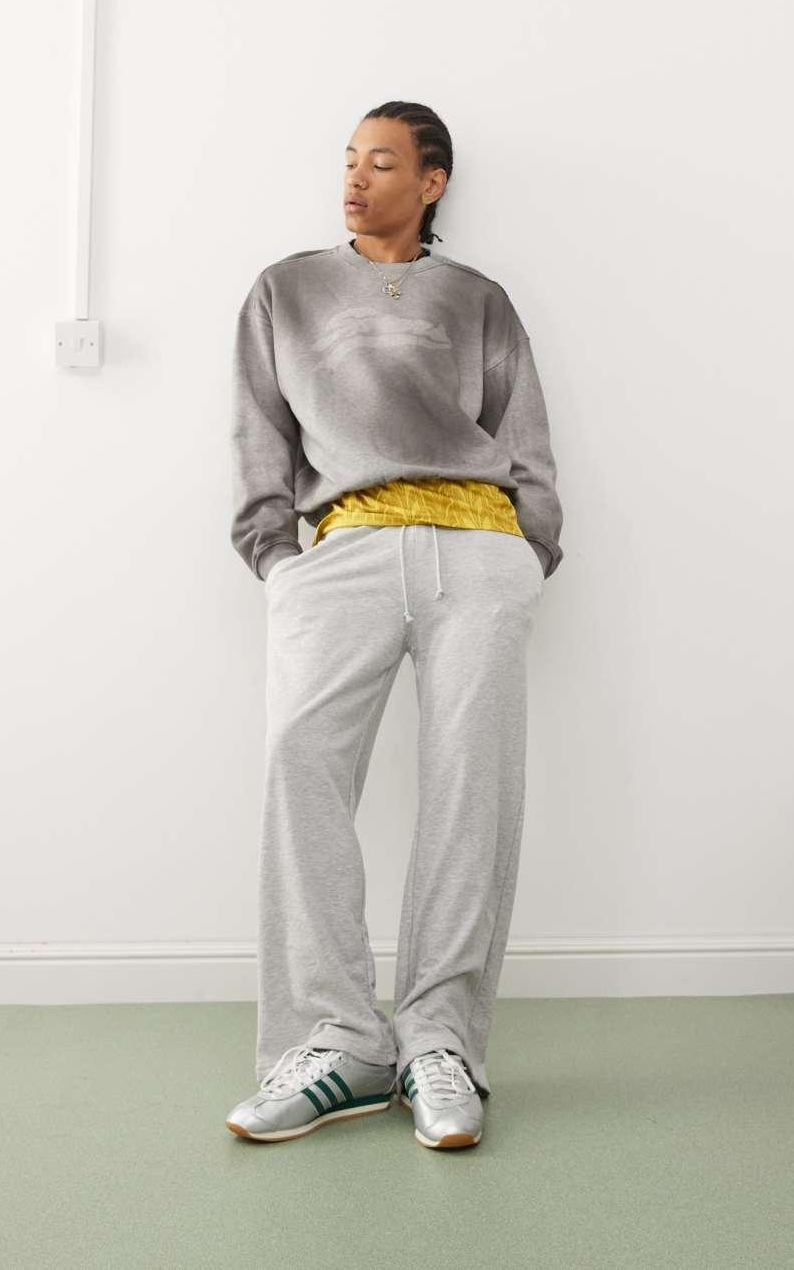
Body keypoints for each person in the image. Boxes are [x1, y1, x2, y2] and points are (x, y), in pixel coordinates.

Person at [224, 101, 564, 1149]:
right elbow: (257, 434)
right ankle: (336, 1040)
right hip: (344, 544)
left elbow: (525, 435)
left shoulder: (476, 297)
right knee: (301, 764)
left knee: (472, 783)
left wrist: (529, 547)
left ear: (432, 181)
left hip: (477, 545)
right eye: (348, 160)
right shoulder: (285, 289)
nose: (356, 178)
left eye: (382, 162)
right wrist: (276, 559)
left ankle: (439, 1042)